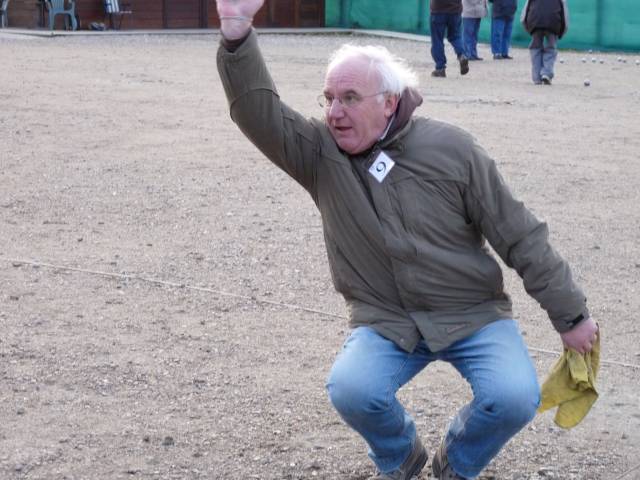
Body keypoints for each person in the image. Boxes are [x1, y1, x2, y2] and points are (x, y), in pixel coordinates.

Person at [215, 1, 599, 478]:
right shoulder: (320, 154)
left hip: (472, 313)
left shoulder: (453, 150)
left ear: (389, 101)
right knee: (352, 389)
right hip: (387, 319)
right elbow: (259, 114)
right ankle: (400, 456)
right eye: (328, 98)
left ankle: (457, 463)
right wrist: (236, 34)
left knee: (515, 397)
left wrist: (571, 315)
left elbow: (519, 234)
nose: (334, 112)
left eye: (349, 97)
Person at [521, 0, 569, 85]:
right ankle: (546, 73)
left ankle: (536, 78)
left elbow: (524, 16)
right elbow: (565, 17)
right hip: (553, 23)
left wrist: (529, 29)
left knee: (535, 48)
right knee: (551, 48)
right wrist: (561, 33)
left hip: (535, 22)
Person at [429, 0, 470, 77]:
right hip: (455, 10)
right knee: (456, 36)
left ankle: (440, 68)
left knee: (437, 39)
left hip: (438, 9)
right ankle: (462, 55)